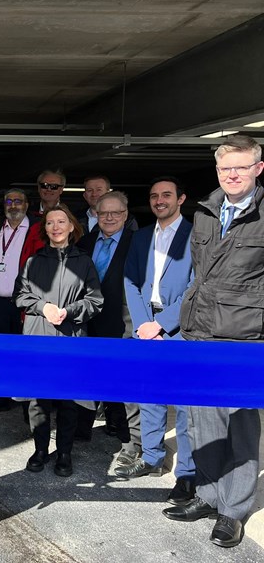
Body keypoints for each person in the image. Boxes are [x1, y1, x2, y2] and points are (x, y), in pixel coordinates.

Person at [165, 135, 264, 548]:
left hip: (244, 336)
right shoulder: (206, 210)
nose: (233, 175)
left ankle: (233, 511)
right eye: (226, 168)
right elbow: (198, 274)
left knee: (240, 425)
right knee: (201, 420)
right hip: (200, 329)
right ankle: (206, 494)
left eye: (241, 167)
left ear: (258, 169)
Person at [119, 177, 195, 507]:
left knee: (185, 405)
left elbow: (197, 286)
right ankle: (151, 458)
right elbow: (130, 280)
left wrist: (163, 325)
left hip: (179, 328)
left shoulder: (196, 235)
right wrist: (143, 324)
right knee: (148, 395)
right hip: (145, 324)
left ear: (181, 199)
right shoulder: (141, 236)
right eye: (153, 196)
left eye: (166, 195)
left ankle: (188, 475)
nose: (159, 200)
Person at [14, 205, 103, 477]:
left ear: (72, 226)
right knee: (38, 400)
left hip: (71, 337)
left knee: (68, 400)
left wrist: (69, 311)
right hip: (38, 337)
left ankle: (65, 452)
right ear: (45, 229)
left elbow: (95, 300)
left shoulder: (84, 261)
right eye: (50, 222)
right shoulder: (33, 261)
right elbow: (20, 295)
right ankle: (40, 449)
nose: (56, 226)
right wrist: (43, 307)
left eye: (61, 221)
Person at [75, 192, 139, 458]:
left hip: (121, 323)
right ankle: (82, 428)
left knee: (121, 380)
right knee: (87, 376)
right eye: (104, 213)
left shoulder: (138, 243)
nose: (110, 218)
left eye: (116, 213)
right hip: (89, 323)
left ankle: (126, 436)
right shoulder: (86, 242)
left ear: (125, 215)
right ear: (96, 215)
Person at [0, 189, 42, 415]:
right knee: (0, 351)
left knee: (25, 352)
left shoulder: (35, 227)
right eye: (9, 201)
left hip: (24, 302)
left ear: (27, 204)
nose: (13, 205)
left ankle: (28, 405)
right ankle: (1, 397)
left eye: (18, 201)